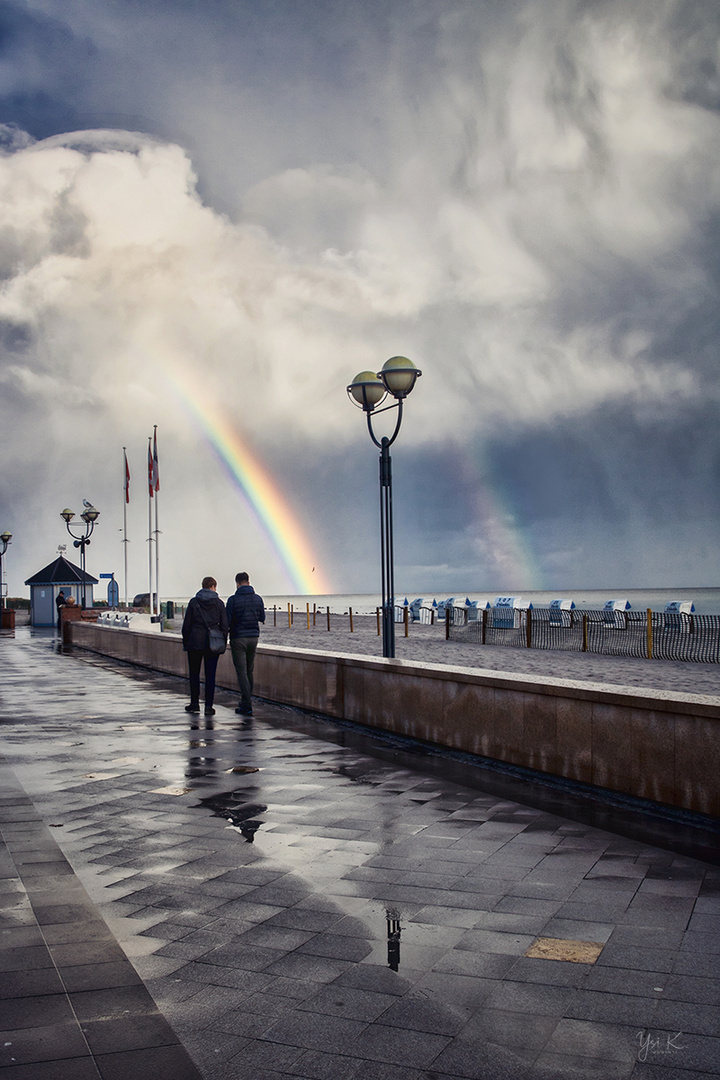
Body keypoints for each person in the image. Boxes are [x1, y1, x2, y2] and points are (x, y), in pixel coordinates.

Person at [181, 577, 229, 716]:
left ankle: (194, 703)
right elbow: (225, 626)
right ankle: (209, 706)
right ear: (213, 586)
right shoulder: (219, 604)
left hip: (194, 643)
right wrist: (222, 642)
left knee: (194, 674)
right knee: (210, 675)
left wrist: (186, 642)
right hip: (212, 643)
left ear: (202, 586)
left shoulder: (194, 602)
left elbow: (186, 626)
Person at [226, 571, 265, 716]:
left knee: (241, 671)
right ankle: (246, 701)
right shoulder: (258, 599)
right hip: (253, 637)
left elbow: (227, 621)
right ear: (248, 582)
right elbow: (262, 617)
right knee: (249, 670)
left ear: (237, 583)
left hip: (238, 638)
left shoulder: (232, 600)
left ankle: (247, 704)